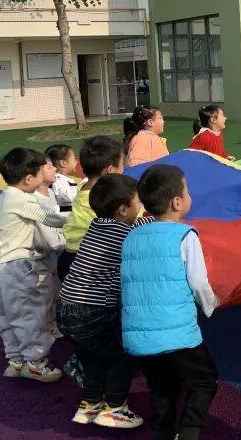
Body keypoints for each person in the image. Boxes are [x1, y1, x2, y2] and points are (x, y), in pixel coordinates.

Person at [122, 165, 219, 440]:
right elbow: (198, 282)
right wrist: (211, 304)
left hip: (141, 337)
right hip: (177, 334)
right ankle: (189, 431)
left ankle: (164, 432)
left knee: (162, 388)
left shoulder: (132, 236)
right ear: (177, 202)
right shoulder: (185, 235)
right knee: (204, 380)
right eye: (187, 190)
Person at [57, 174, 149, 428]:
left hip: (66, 307)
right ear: (123, 210)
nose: (141, 207)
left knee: (95, 354)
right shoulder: (123, 233)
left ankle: (90, 403)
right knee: (124, 351)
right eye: (138, 202)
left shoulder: (96, 226)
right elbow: (143, 227)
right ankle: (115, 407)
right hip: (92, 310)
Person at [0, 148, 67, 382]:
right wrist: (82, 217)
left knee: (6, 314)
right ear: (29, 179)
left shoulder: (4, 197)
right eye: (42, 170)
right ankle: (36, 363)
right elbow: (52, 219)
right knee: (30, 313)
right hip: (16, 266)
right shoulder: (21, 199)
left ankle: (16, 360)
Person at [60, 136, 126, 281]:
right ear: (110, 170)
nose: (124, 169)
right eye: (122, 165)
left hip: (68, 256)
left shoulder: (81, 188)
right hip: (90, 262)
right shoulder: (107, 197)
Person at [46, 143, 80, 210]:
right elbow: (68, 198)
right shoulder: (59, 180)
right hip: (66, 215)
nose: (76, 161)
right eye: (74, 159)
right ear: (63, 163)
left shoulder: (58, 179)